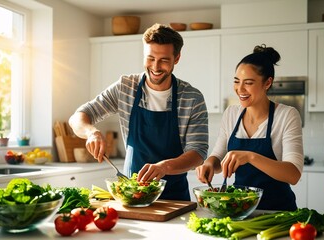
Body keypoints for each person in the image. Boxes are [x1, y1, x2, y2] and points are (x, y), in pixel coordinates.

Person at [69, 23, 208, 201]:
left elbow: (198, 153)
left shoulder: (192, 98)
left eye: (164, 60)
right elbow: (79, 116)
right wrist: (91, 132)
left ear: (177, 58)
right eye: (150, 58)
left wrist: (164, 167)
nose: (155, 67)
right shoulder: (126, 87)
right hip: (130, 194)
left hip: (174, 198)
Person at [196, 44, 303, 211]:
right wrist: (209, 164)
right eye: (237, 81)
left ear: (267, 83)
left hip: (278, 211)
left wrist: (250, 157)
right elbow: (218, 156)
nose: (240, 89)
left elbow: (293, 174)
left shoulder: (287, 115)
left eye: (249, 83)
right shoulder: (231, 113)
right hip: (240, 209)